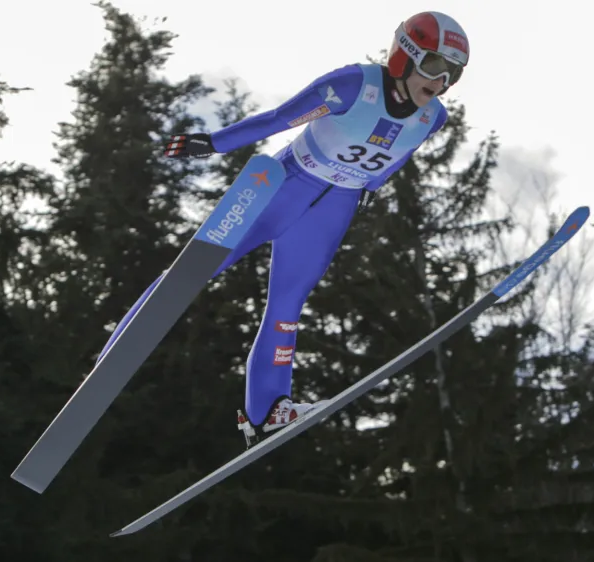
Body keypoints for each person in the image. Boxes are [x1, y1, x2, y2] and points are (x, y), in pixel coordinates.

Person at [100, 11, 470, 445]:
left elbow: (400, 153)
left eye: (453, 73)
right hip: (287, 185)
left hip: (334, 208)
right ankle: (114, 356)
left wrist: (372, 186)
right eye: (434, 65)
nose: (441, 81)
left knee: (289, 303)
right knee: (199, 267)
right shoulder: (352, 86)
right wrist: (213, 143)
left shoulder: (432, 118)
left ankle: (267, 410)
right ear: (404, 56)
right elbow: (279, 119)